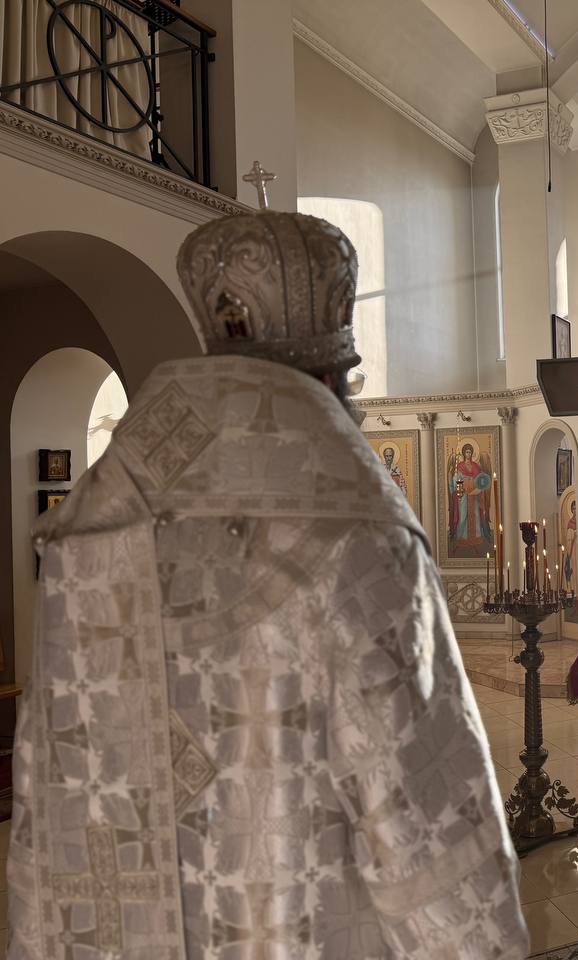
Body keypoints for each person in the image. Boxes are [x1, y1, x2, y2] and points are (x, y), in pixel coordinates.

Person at [7, 211, 528, 959]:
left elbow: (41, 789)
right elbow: (424, 821)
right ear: (332, 377)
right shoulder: (357, 531)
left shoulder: (86, 526)